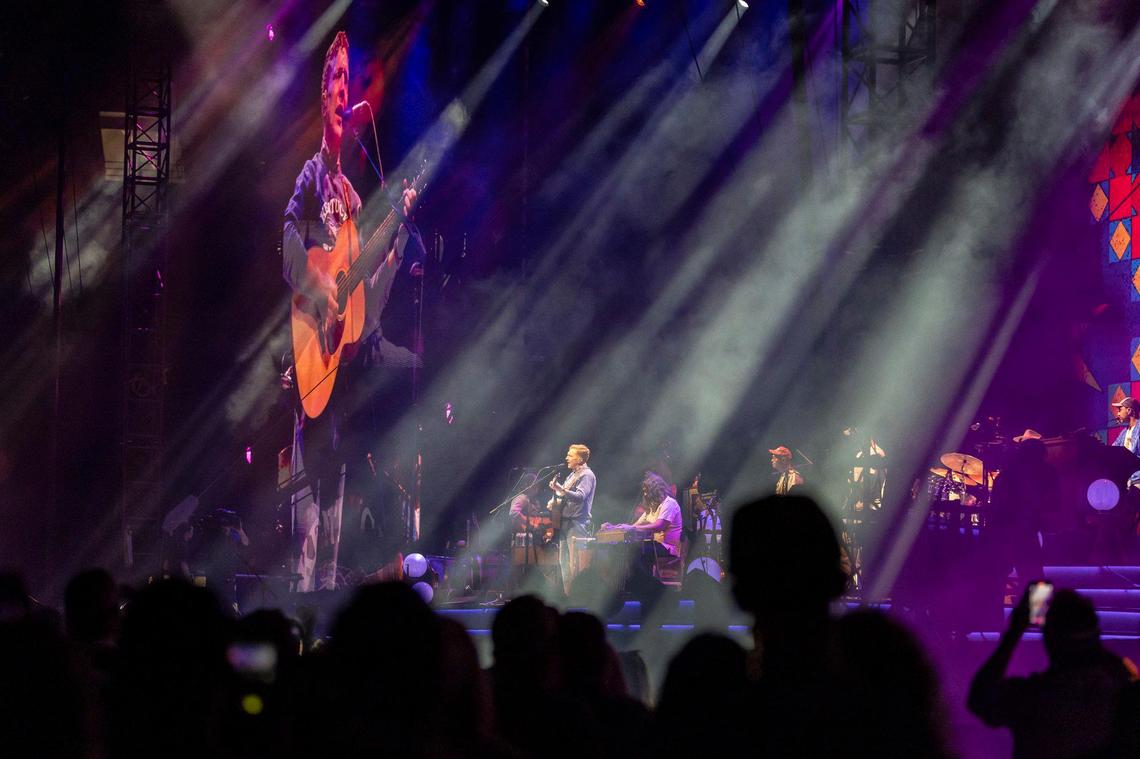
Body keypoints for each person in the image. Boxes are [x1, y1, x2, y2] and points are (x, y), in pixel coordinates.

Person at [282, 31, 419, 591]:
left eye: (349, 80)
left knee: (335, 510)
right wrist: (314, 279)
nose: (344, 91)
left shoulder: (356, 198)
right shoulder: (313, 176)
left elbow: (366, 291)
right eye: (336, 79)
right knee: (310, 516)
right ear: (322, 96)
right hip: (313, 350)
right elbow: (290, 232)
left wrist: (399, 231)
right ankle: (297, 604)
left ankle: (325, 607)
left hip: (345, 371)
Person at [968, 586, 1135, 759]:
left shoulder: (1033, 698)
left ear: (1049, 640)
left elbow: (980, 699)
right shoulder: (1120, 691)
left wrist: (1015, 631)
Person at [602, 472, 683, 574]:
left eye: (646, 491)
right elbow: (634, 526)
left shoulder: (669, 503)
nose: (644, 494)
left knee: (635, 550)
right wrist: (613, 528)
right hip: (654, 545)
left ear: (655, 490)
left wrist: (632, 528)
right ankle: (629, 581)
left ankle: (640, 581)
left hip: (667, 548)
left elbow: (660, 526)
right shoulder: (652, 507)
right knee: (623, 548)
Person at [548, 443, 596, 595]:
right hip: (565, 522)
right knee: (564, 563)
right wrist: (558, 491)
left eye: (570, 455)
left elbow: (581, 496)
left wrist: (561, 489)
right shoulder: (573, 475)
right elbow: (565, 495)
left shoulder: (586, 475)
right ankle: (567, 594)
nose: (566, 458)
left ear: (580, 459)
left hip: (576, 523)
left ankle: (576, 596)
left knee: (574, 562)